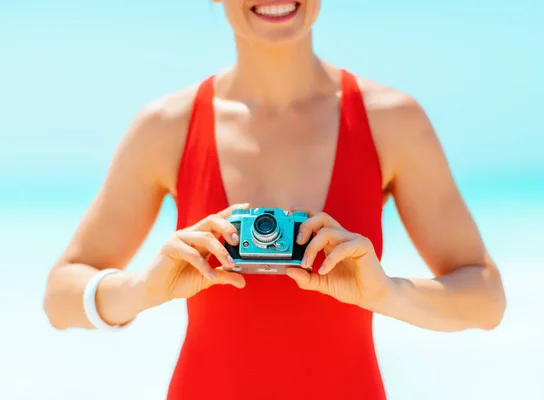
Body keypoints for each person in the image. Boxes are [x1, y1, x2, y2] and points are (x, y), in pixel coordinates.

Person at [42, 1, 506, 399]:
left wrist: (387, 293)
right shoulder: (166, 127)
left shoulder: (393, 122)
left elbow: (486, 298)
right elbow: (59, 298)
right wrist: (143, 288)